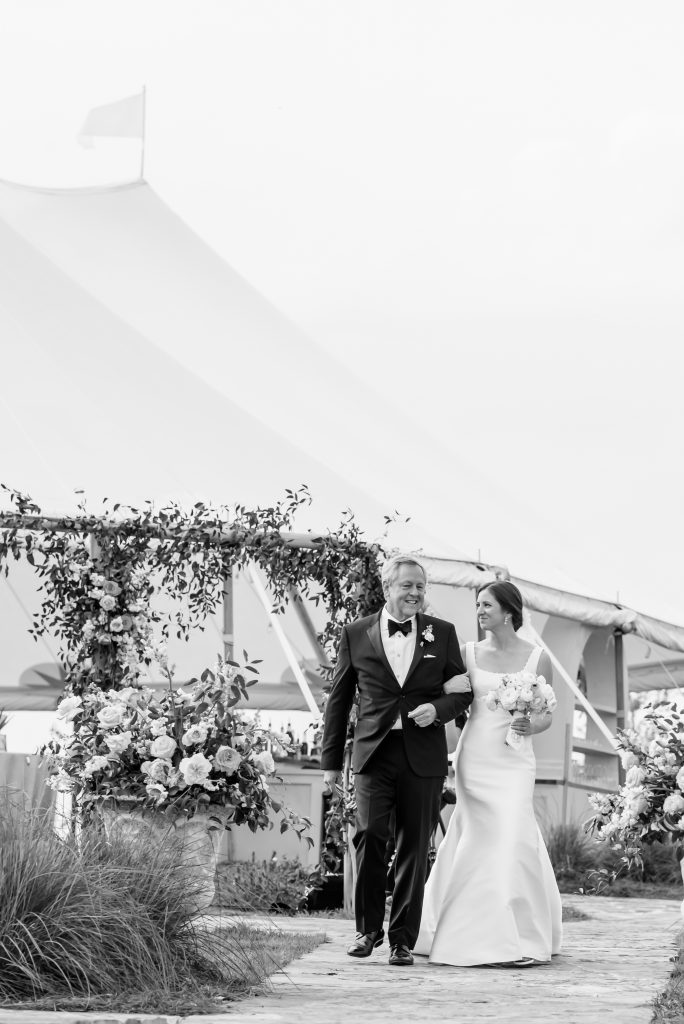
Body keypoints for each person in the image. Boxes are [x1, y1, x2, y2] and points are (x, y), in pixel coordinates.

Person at [320, 554, 473, 967]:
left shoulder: (442, 634)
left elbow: (463, 691)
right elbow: (338, 700)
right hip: (374, 752)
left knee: (415, 845)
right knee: (369, 836)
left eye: (421, 587)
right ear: (387, 588)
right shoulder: (355, 633)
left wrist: (437, 710)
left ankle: (402, 939)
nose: (415, 593)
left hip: (423, 755)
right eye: (407, 586)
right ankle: (366, 930)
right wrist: (330, 763)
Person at [414, 579, 563, 967]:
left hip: (515, 762)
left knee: (512, 836)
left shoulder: (537, 658)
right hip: (475, 758)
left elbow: (547, 712)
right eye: (478, 605)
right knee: (475, 837)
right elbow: (452, 697)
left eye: (487, 606)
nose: (479, 612)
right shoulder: (466, 653)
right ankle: (463, 931)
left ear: (509, 612)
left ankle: (519, 934)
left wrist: (533, 726)